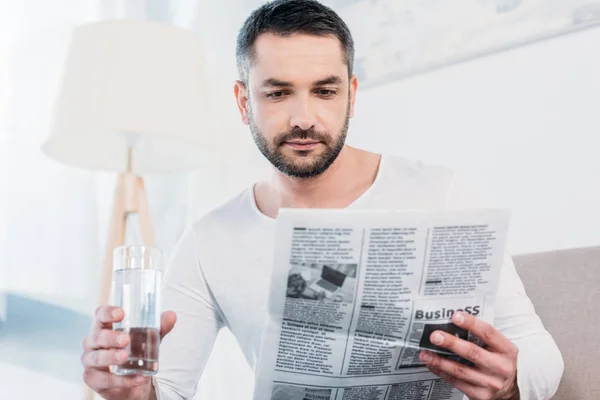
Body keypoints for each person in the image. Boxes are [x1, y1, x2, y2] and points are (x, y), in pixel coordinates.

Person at [80, 1, 564, 399]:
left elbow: (542, 355)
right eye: (277, 93)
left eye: (325, 91)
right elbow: (165, 390)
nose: (303, 117)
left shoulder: (445, 193)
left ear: (351, 94)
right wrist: (130, 392)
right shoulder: (209, 240)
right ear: (243, 101)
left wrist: (510, 382)